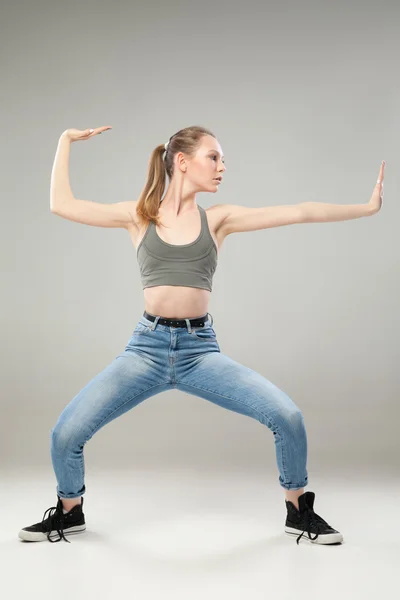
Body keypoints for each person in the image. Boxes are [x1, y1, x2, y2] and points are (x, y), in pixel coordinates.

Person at [18, 124, 385, 545]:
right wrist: (65, 141)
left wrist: (366, 207)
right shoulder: (141, 214)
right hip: (146, 350)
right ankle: (70, 511)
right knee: (65, 433)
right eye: (215, 157)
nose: (222, 167)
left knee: (288, 417)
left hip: (199, 353)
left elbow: (299, 210)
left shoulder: (220, 220)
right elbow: (60, 204)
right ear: (182, 161)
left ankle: (298, 510)